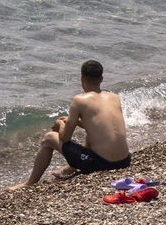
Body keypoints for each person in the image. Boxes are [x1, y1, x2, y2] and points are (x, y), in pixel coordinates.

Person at [11, 60, 131, 188]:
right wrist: (79, 123)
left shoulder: (79, 100)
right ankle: (70, 168)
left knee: (49, 138)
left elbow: (65, 138)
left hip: (103, 164)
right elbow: (101, 129)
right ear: (101, 78)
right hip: (124, 161)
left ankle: (30, 183)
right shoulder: (113, 97)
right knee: (91, 134)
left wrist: (61, 125)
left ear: (81, 78)